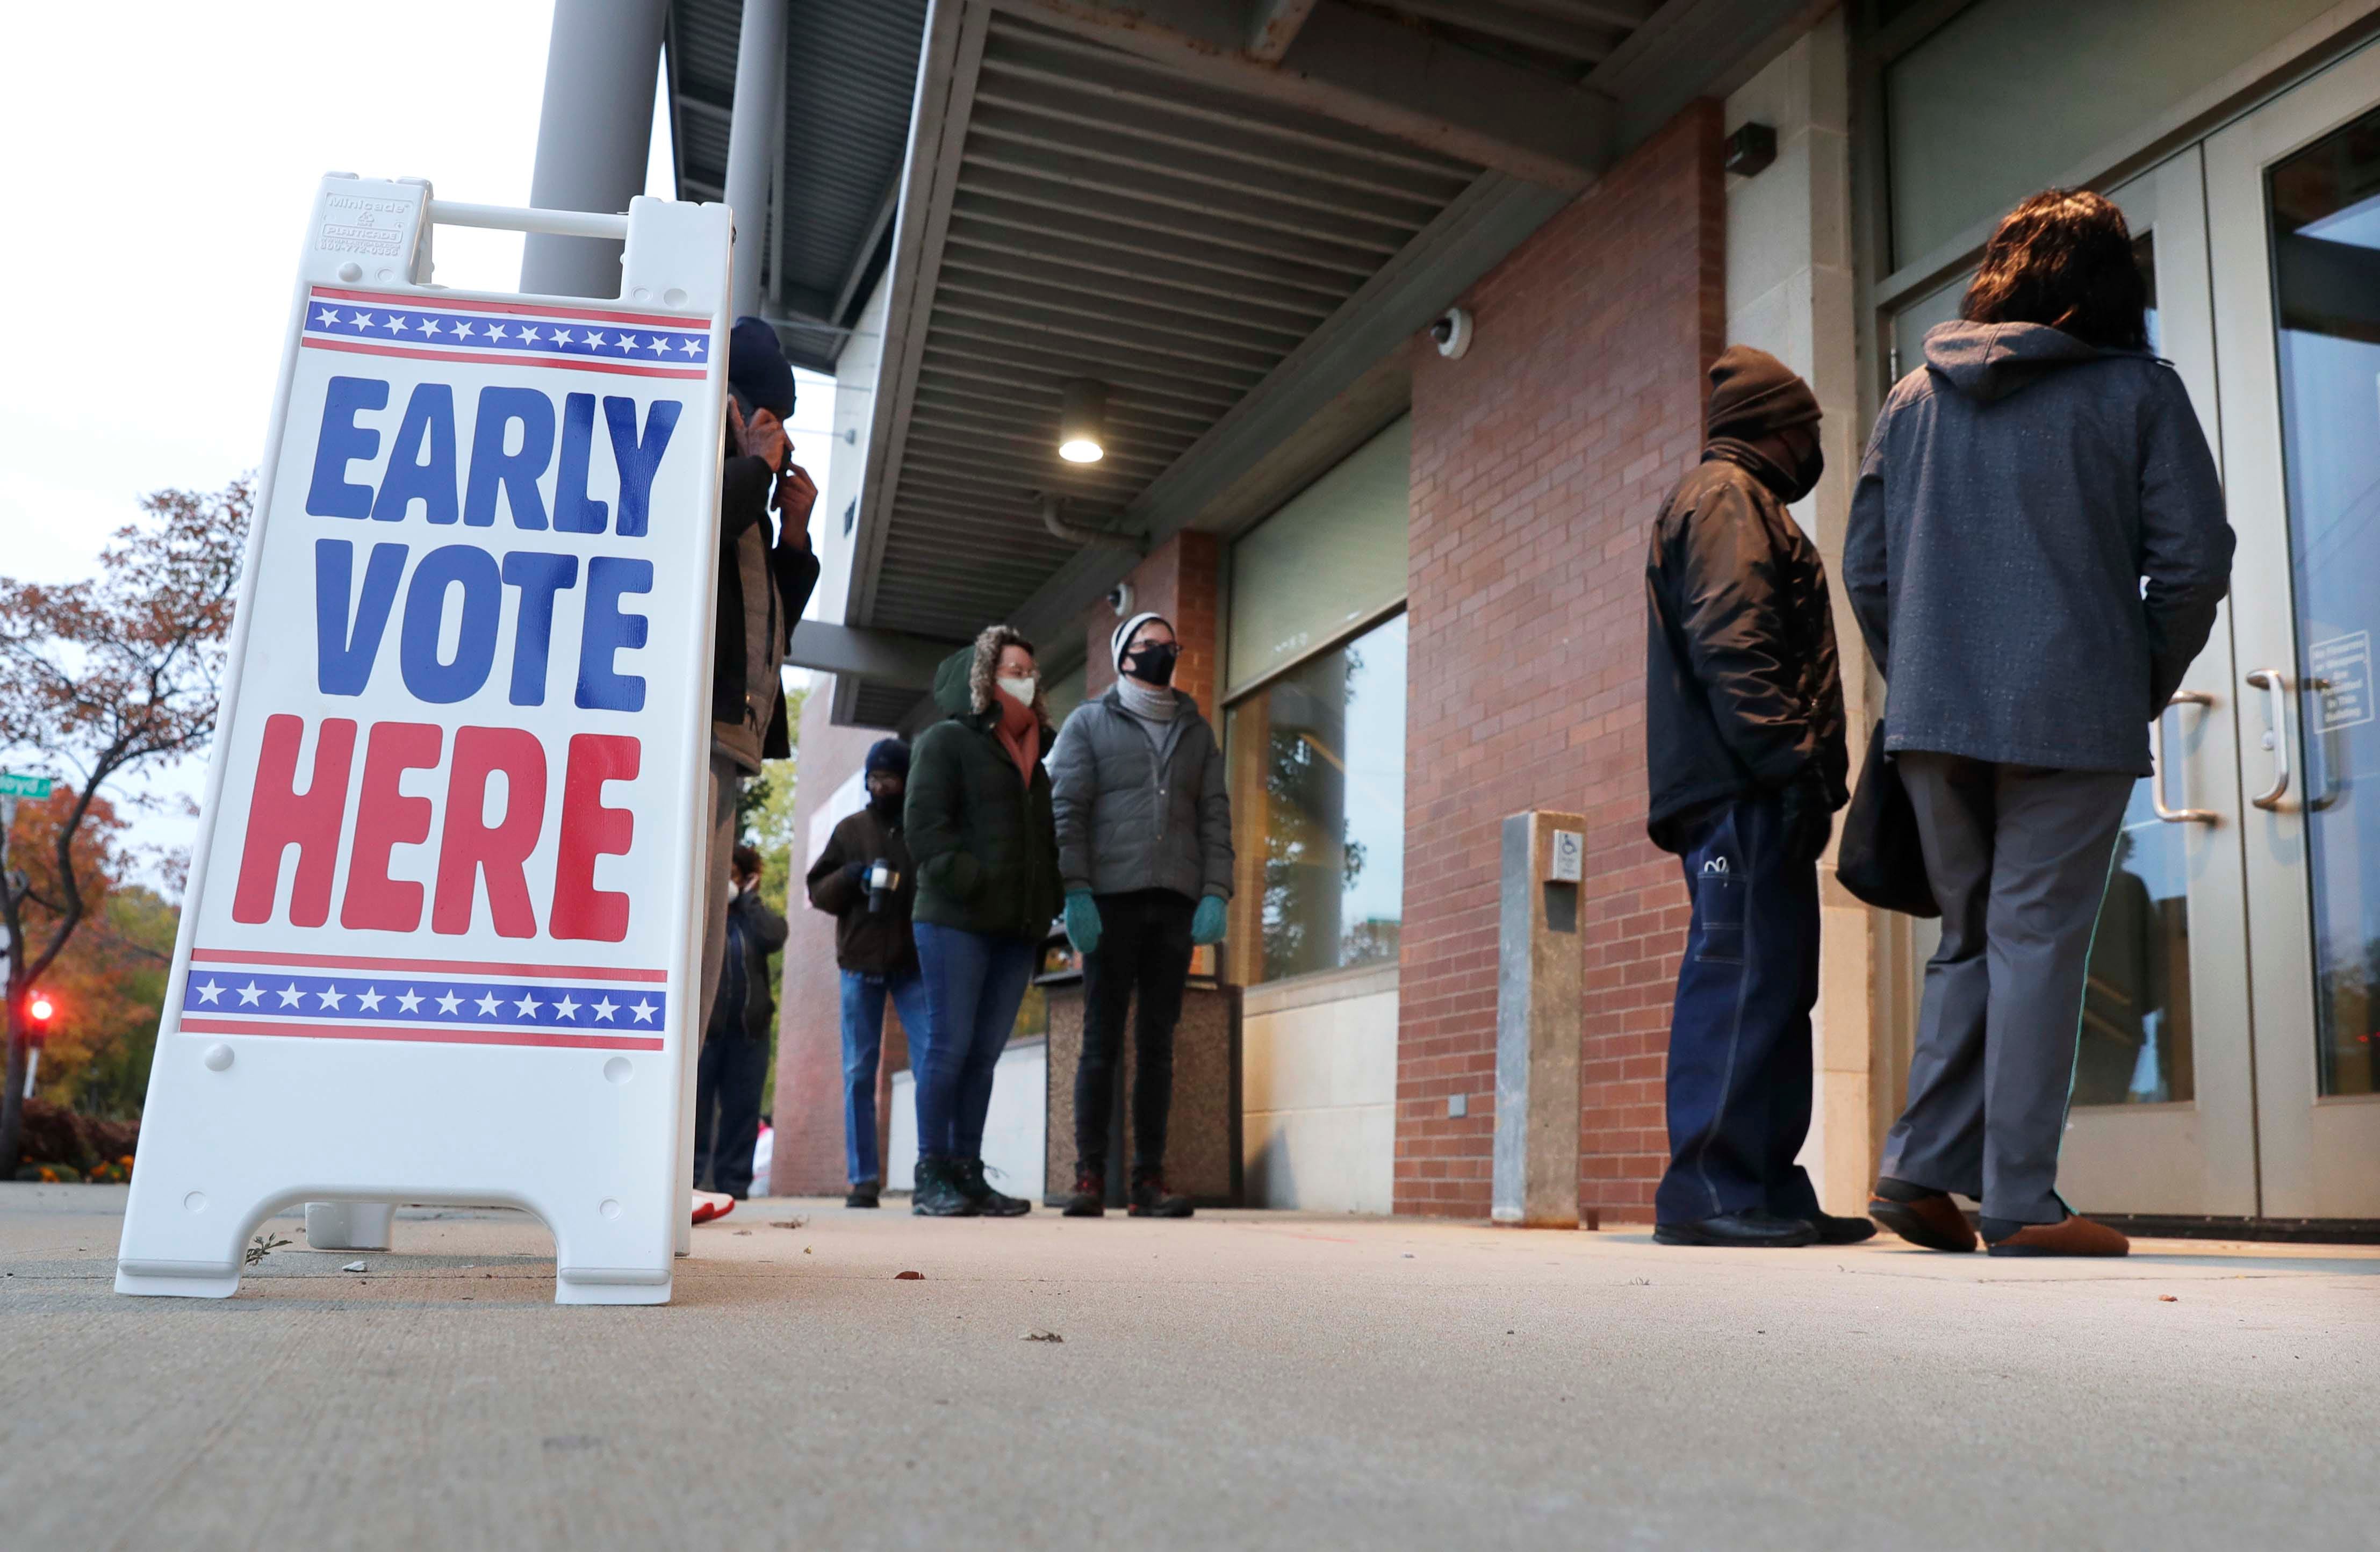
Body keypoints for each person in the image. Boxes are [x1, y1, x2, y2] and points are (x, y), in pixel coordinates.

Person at [1844, 189, 2233, 1258]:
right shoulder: (2138, 393)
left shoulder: (1910, 399)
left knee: (1967, 939)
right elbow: (2194, 560)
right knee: (2035, 944)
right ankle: (2018, 1200)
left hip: (1934, 715)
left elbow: (1865, 568)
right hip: (2071, 709)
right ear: (2110, 285)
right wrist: (2135, 679)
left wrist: (1921, 674)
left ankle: (1917, 1172)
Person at [1642, 345, 1863, 1250]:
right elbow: (1731, 643)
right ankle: (1705, 1190)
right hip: (1743, 789)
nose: (1814, 443)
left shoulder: (1742, 501)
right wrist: (1789, 765)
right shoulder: (1727, 500)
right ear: (1777, 426)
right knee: (1737, 980)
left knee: (1775, 986)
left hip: (1756, 786)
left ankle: (1765, 1183)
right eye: (1808, 426)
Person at [1048, 613, 1233, 1219]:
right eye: (1150, 644)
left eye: (1170, 644)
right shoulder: (1087, 723)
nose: (1164, 652)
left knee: (1157, 1045)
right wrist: (1074, 891)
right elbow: (1067, 811)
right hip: (1110, 900)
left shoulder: (1197, 731)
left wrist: (1215, 892)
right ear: (1124, 655)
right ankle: (1089, 1176)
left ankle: (1149, 1178)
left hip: (1176, 902)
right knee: (1101, 1038)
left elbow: (1214, 817)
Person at [903, 625, 1065, 1218]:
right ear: (984, 677)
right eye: (1010, 668)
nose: (1022, 678)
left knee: (983, 1055)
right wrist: (972, 880)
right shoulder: (946, 741)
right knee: (948, 1046)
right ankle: (932, 1173)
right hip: (954, 919)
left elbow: (1046, 844)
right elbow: (924, 828)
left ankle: (967, 1172)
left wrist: (1048, 900)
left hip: (1015, 928)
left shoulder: (1035, 765)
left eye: (1029, 670)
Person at [700, 318, 821, 1047]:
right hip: (695, 729)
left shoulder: (744, 482)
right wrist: (750, 463)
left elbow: (770, 620)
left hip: (733, 733)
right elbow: (689, 537)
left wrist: (795, 536)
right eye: (774, 419)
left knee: (705, 940)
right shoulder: (707, 452)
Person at [805, 738, 923, 1210]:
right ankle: (863, 1180)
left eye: (889, 780)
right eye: (873, 780)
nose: (880, 787)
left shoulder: (920, 829)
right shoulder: (849, 829)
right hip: (858, 963)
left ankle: (931, 1167)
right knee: (858, 1071)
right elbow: (818, 890)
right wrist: (850, 876)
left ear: (905, 781)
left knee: (931, 1058)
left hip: (913, 963)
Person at [692, 844, 786, 1201]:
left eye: (734, 875)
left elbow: (775, 937)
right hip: (705, 1033)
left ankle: (734, 1187)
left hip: (750, 1033)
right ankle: (693, 1183)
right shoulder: (700, 915)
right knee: (697, 1110)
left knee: (742, 1112)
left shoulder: (753, 918)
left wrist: (748, 899)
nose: (727, 882)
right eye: (723, 875)